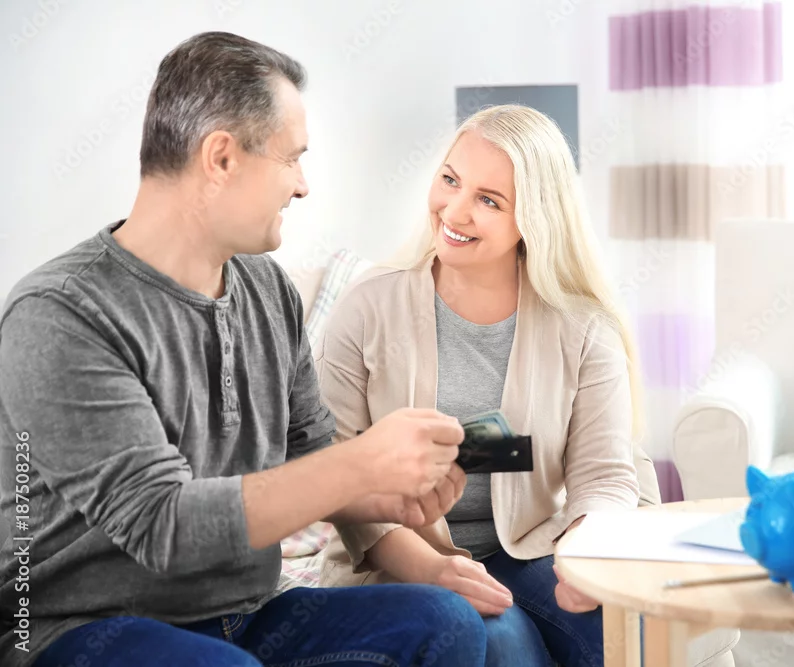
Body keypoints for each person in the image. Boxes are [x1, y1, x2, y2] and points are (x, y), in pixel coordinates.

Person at [0, 31, 488, 667]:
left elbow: (312, 458)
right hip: (79, 629)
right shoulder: (61, 313)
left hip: (245, 617)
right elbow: (162, 526)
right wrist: (361, 463)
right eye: (292, 159)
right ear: (222, 158)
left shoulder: (267, 289)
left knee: (443, 623)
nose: (303, 185)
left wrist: (389, 494)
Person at [315, 104, 662, 667]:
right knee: (502, 640)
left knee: (623, 631)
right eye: (450, 180)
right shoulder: (366, 308)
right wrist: (431, 568)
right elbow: (335, 471)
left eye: (489, 200)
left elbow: (601, 474)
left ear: (535, 218)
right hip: (399, 556)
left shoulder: (583, 328)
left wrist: (584, 555)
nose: (454, 210)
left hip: (529, 545)